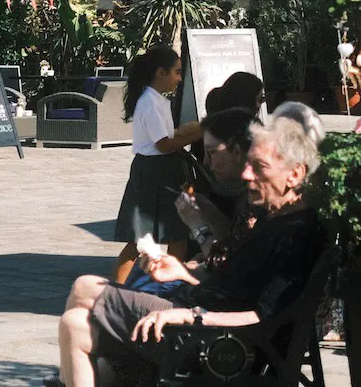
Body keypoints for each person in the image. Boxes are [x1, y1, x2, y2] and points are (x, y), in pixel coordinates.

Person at [53, 109, 327, 387]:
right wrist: (183, 272)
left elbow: (261, 317)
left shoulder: (296, 234)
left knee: (84, 289)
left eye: (259, 166)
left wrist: (191, 315)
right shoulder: (275, 217)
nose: (247, 173)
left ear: (295, 174)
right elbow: (231, 278)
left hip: (216, 345)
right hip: (201, 329)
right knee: (74, 325)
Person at [111, 47, 202, 281]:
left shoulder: (157, 101)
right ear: (161, 73)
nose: (179, 79)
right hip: (153, 172)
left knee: (177, 236)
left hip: (164, 170)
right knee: (139, 240)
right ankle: (115, 290)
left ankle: (173, 285)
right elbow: (163, 144)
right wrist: (197, 134)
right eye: (177, 72)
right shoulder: (149, 103)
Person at [176, 107, 255, 261]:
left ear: (237, 152)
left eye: (211, 152)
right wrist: (211, 214)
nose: (206, 162)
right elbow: (233, 247)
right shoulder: (249, 196)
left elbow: (227, 266)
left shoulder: (260, 199)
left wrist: (197, 224)